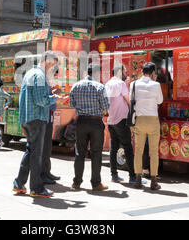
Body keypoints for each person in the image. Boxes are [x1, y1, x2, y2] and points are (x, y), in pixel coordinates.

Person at [13, 51, 58, 198]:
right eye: (52, 65)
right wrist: (54, 99)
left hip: (29, 118)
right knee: (36, 155)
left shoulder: (30, 73)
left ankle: (19, 183)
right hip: (37, 119)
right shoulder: (39, 76)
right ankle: (36, 188)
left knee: (31, 152)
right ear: (47, 61)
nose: (52, 69)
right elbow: (40, 101)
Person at [70, 63, 110, 191]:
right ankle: (96, 183)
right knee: (96, 152)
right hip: (96, 123)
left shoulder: (76, 86)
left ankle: (77, 182)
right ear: (97, 73)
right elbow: (105, 107)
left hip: (81, 121)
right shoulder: (100, 87)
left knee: (79, 152)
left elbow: (72, 104)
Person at [105, 65, 143, 184]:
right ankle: (132, 176)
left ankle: (114, 175)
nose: (126, 73)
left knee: (113, 148)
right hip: (121, 119)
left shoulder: (107, 84)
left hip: (111, 120)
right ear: (120, 72)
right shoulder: (120, 84)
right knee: (127, 146)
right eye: (125, 71)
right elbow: (128, 100)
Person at [132, 62, 163, 191]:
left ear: (142, 72)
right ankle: (154, 181)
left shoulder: (133, 84)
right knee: (154, 151)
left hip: (139, 120)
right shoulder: (156, 85)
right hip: (152, 120)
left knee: (138, 151)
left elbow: (131, 100)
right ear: (152, 73)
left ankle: (138, 180)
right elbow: (160, 101)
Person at [41, 65, 62, 184]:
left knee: (47, 145)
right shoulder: (42, 80)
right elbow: (44, 99)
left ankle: (47, 171)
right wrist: (55, 96)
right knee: (45, 146)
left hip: (49, 115)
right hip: (46, 116)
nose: (55, 77)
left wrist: (53, 93)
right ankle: (43, 174)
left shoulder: (46, 82)